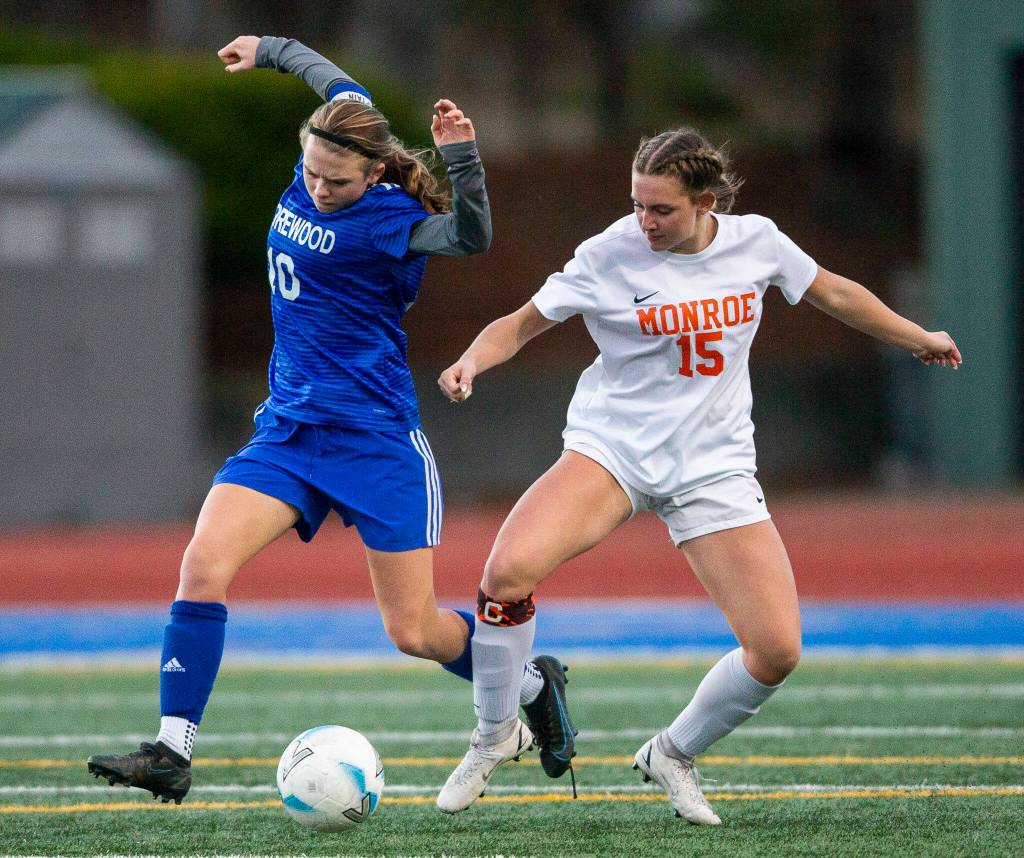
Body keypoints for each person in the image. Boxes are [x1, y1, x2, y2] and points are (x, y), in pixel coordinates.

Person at [86, 35, 575, 804]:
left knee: (413, 631)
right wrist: (269, 49)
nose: (317, 186)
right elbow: (331, 79)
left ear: (375, 171)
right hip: (287, 433)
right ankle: (172, 752)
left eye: (336, 180)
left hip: (375, 441)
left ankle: (528, 691)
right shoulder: (328, 151)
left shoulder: (389, 220)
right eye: (310, 170)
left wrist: (463, 158)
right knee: (203, 563)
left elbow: (474, 237)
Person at [434, 127, 962, 820]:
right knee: (505, 575)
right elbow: (521, 325)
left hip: (713, 467)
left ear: (705, 202)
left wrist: (917, 335)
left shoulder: (758, 242)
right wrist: (474, 360)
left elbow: (836, 294)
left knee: (776, 650)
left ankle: (673, 752)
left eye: (661, 210)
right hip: (613, 451)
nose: (643, 222)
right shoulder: (608, 253)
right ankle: (495, 733)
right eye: (636, 205)